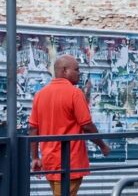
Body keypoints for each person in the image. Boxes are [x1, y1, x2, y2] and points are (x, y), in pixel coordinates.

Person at [29, 55, 110, 196]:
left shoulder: (40, 95)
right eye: (77, 69)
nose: (79, 73)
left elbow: (33, 128)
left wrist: (35, 157)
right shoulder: (75, 93)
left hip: (49, 161)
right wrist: (102, 145)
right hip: (70, 162)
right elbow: (87, 126)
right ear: (64, 70)